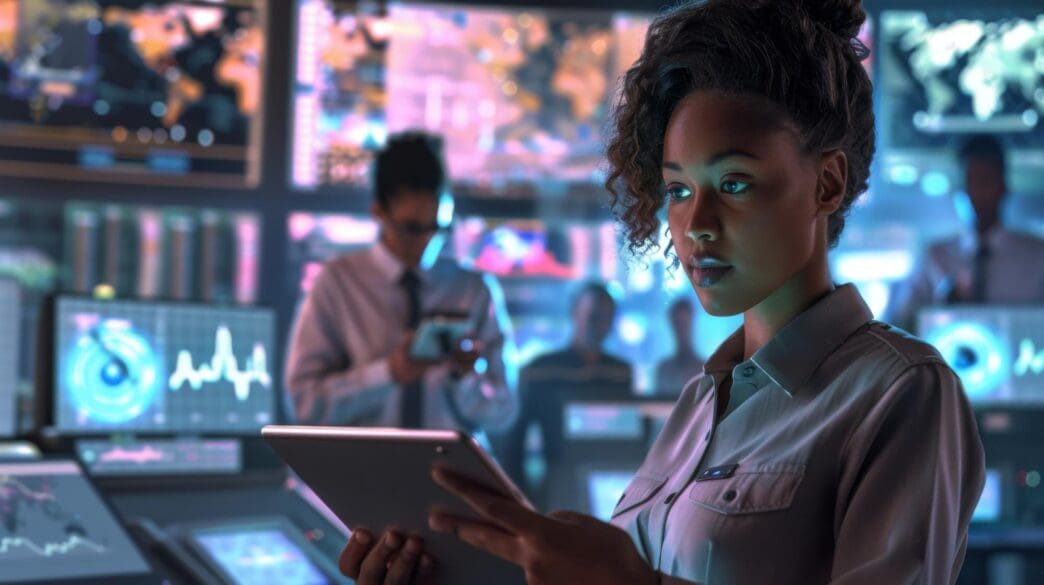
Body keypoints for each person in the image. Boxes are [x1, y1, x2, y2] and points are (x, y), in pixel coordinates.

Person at [337, 1, 985, 584]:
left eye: (733, 183)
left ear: (827, 184)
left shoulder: (901, 392)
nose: (696, 224)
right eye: (677, 189)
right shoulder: (700, 403)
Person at [284, 132, 516, 432]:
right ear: (378, 212)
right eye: (411, 228)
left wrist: (465, 379)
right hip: (364, 474)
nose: (425, 242)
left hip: (452, 473)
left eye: (437, 228)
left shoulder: (473, 290)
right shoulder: (338, 284)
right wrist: (388, 373)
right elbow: (304, 405)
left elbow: (504, 412)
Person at [887, 134, 1044, 330]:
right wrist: (941, 309)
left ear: (1003, 187)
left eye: (986, 180)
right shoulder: (936, 257)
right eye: (971, 181)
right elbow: (902, 323)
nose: (978, 192)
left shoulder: (1037, 257)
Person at [499, 282, 633, 510]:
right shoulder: (540, 370)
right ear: (574, 314)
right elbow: (515, 440)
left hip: (608, 483)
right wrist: (521, 496)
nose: (597, 324)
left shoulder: (619, 371)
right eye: (591, 315)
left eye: (604, 317)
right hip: (558, 480)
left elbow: (627, 433)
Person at [653, 298, 705, 397]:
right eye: (678, 324)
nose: (682, 330)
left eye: (684, 324)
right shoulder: (663, 370)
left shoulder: (705, 369)